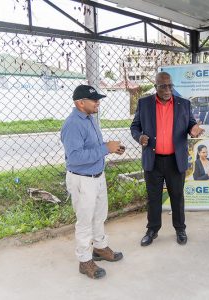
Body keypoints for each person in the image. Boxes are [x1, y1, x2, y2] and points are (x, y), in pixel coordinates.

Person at [130, 71, 204, 247]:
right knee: (153, 197)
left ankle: (180, 228)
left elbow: (190, 124)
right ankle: (152, 230)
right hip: (153, 160)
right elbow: (135, 126)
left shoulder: (183, 104)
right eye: (163, 86)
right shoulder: (144, 103)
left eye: (170, 85)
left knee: (177, 196)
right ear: (156, 87)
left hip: (175, 160)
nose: (167, 89)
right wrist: (139, 137)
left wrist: (193, 129)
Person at [61, 84, 125, 279]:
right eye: (94, 99)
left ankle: (99, 247)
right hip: (82, 180)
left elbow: (95, 147)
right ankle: (84, 260)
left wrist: (112, 148)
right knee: (85, 221)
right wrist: (106, 149)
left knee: (99, 215)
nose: (98, 102)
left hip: (97, 176)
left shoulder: (90, 119)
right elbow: (75, 158)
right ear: (80, 103)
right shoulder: (73, 124)